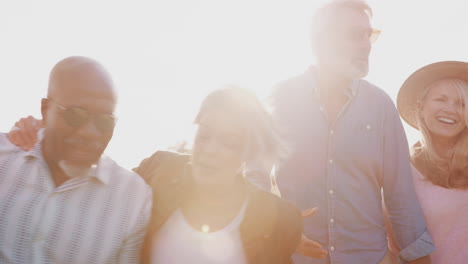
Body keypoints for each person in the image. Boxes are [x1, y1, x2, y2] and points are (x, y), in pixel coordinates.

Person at [8, 86, 326, 263]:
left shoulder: (278, 220)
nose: (211, 149)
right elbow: (97, 185)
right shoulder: (160, 170)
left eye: (229, 142)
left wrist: (286, 228)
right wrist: (45, 138)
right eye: (205, 135)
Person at [253, 1, 435, 263]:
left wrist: (419, 259)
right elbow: (254, 177)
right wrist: (280, 227)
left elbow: (400, 196)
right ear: (319, 41)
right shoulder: (279, 100)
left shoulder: (380, 106)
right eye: (354, 34)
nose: (366, 44)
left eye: (368, 34)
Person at [0, 56, 152, 263]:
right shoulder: (5, 159)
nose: (90, 132)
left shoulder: (132, 198)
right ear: (46, 110)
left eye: (104, 121)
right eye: (76, 115)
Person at [389, 60, 468, 263]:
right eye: (441, 99)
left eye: (462, 103)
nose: (451, 109)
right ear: (421, 107)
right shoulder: (400, 171)